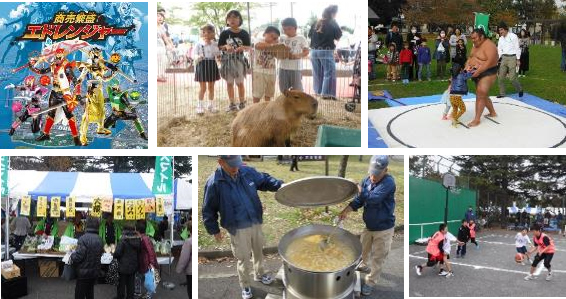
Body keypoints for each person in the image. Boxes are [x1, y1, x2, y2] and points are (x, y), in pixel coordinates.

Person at [202, 155, 283, 299]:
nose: (236, 168)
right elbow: (208, 209)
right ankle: (245, 284)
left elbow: (264, 180)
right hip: (237, 227)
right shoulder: (214, 182)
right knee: (243, 258)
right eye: (232, 165)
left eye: (237, 164)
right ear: (221, 162)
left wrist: (279, 185)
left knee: (258, 251)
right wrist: (214, 229)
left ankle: (260, 273)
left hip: (255, 221)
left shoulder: (246, 171)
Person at [339, 155, 396, 296]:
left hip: (384, 228)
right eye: (372, 172)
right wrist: (346, 210)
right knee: (362, 250)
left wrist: (357, 186)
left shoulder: (389, 183)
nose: (373, 176)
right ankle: (363, 265)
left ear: (385, 170)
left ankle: (371, 282)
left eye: (377, 174)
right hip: (369, 226)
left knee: (378, 257)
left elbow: (373, 198)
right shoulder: (366, 180)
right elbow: (359, 200)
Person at [464, 28, 499, 127]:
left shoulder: (490, 46)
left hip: (488, 72)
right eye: (472, 38)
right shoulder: (475, 45)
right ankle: (492, 112)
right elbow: (470, 57)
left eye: (474, 38)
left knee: (481, 92)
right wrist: (466, 68)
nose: (473, 40)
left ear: (482, 36)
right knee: (482, 94)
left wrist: (478, 71)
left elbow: (489, 63)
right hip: (475, 71)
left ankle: (477, 119)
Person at [219, 10, 251, 111]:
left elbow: (248, 46)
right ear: (227, 20)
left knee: (240, 82)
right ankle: (232, 104)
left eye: (235, 17)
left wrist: (243, 48)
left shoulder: (244, 33)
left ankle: (242, 103)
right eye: (230, 18)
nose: (232, 19)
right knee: (229, 83)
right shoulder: (224, 33)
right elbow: (220, 46)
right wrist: (225, 46)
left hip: (239, 61)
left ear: (239, 20)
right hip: (227, 61)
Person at [308, 5, 342, 100]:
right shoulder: (333, 22)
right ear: (333, 13)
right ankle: (327, 94)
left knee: (317, 73)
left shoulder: (316, 22)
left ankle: (318, 92)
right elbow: (338, 37)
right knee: (329, 73)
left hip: (314, 51)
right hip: (326, 51)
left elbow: (310, 35)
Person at [70, 217, 104, 299]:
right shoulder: (100, 239)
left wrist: (72, 255)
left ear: (87, 225)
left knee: (79, 295)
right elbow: (101, 253)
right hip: (94, 272)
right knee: (90, 293)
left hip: (83, 273)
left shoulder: (83, 239)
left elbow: (78, 256)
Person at [193, 24, 221, 114]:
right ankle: (200, 106)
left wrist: (216, 50)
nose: (206, 34)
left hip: (212, 64)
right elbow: (194, 55)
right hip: (202, 65)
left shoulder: (215, 44)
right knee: (203, 88)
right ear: (201, 33)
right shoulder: (198, 44)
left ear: (213, 33)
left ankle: (211, 105)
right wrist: (198, 57)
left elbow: (217, 54)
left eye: (209, 32)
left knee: (211, 87)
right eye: (204, 32)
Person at [279, 18, 309, 92]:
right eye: (284, 29)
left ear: (295, 28)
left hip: (295, 68)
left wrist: (297, 56)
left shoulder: (301, 38)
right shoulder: (282, 38)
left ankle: (299, 103)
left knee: (297, 90)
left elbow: (306, 51)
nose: (286, 31)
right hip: (282, 67)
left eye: (289, 29)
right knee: (283, 90)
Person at [113, 222, 141, 299]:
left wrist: (114, 255)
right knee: (131, 284)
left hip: (123, 266)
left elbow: (117, 253)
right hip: (133, 266)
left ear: (124, 230)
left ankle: (120, 297)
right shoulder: (137, 239)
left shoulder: (123, 239)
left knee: (121, 284)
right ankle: (130, 297)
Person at [252, 26, 280, 103]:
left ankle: (266, 108)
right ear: (264, 34)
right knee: (257, 93)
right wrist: (273, 45)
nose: (273, 39)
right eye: (271, 36)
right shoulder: (258, 40)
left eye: (275, 38)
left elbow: (278, 55)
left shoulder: (276, 44)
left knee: (269, 93)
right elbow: (258, 45)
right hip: (259, 71)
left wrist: (277, 47)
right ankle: (255, 109)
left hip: (272, 72)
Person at [496, 23, 524, 98]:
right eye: (499, 30)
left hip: (512, 57)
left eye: (501, 30)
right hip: (504, 58)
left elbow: (517, 48)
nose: (500, 32)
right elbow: (499, 50)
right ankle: (502, 93)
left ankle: (520, 89)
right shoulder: (500, 38)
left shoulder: (513, 36)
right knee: (500, 77)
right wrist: (497, 59)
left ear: (505, 29)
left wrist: (518, 59)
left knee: (512, 78)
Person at [136, 220, 158, 299]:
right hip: (144, 263)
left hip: (146, 263)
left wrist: (151, 264)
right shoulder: (143, 237)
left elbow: (150, 252)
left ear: (137, 230)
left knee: (148, 281)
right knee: (143, 279)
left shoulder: (144, 239)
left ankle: (148, 296)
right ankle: (142, 294)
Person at [176, 221, 192, 298]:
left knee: (191, 292)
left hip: (190, 271)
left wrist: (179, 269)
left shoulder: (188, 241)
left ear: (188, 231)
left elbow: (184, 258)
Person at [157, 11, 174, 82]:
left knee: (163, 60)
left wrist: (169, 44)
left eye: (162, 17)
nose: (160, 18)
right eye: (158, 16)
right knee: (156, 61)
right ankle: (157, 75)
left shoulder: (162, 27)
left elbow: (165, 37)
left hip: (161, 46)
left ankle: (161, 75)